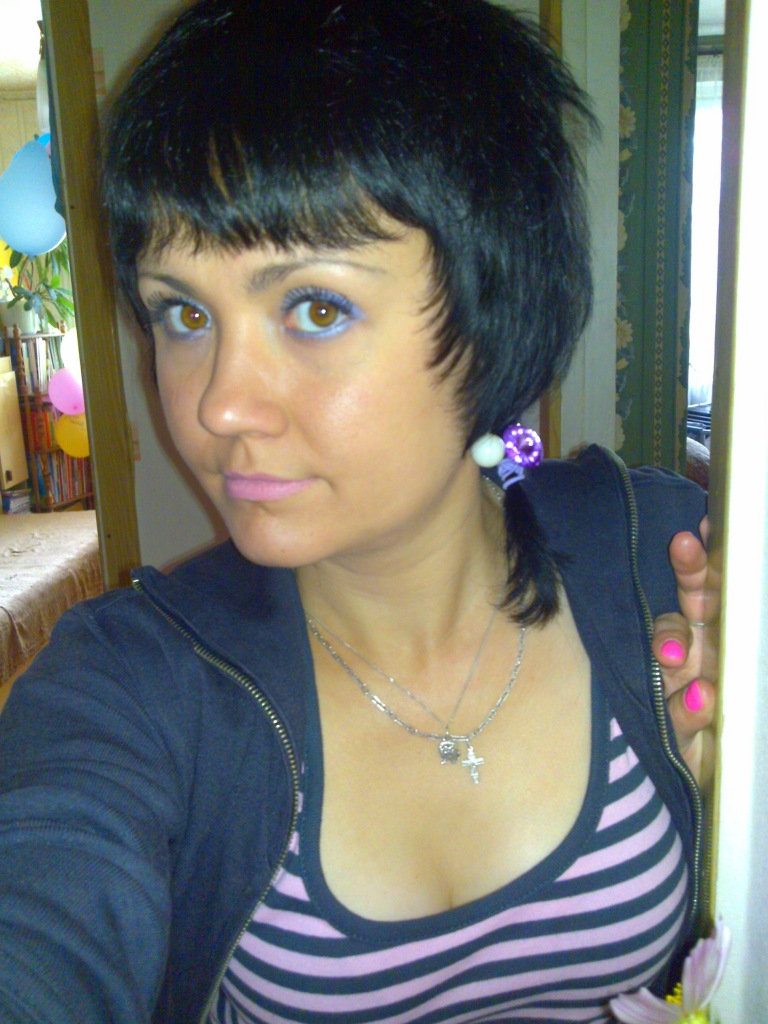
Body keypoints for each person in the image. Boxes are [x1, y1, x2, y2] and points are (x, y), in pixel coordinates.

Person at [0, 1, 715, 1021]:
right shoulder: (132, 684)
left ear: (496, 307)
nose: (217, 405)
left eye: (316, 307)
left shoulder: (675, 562)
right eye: (185, 313)